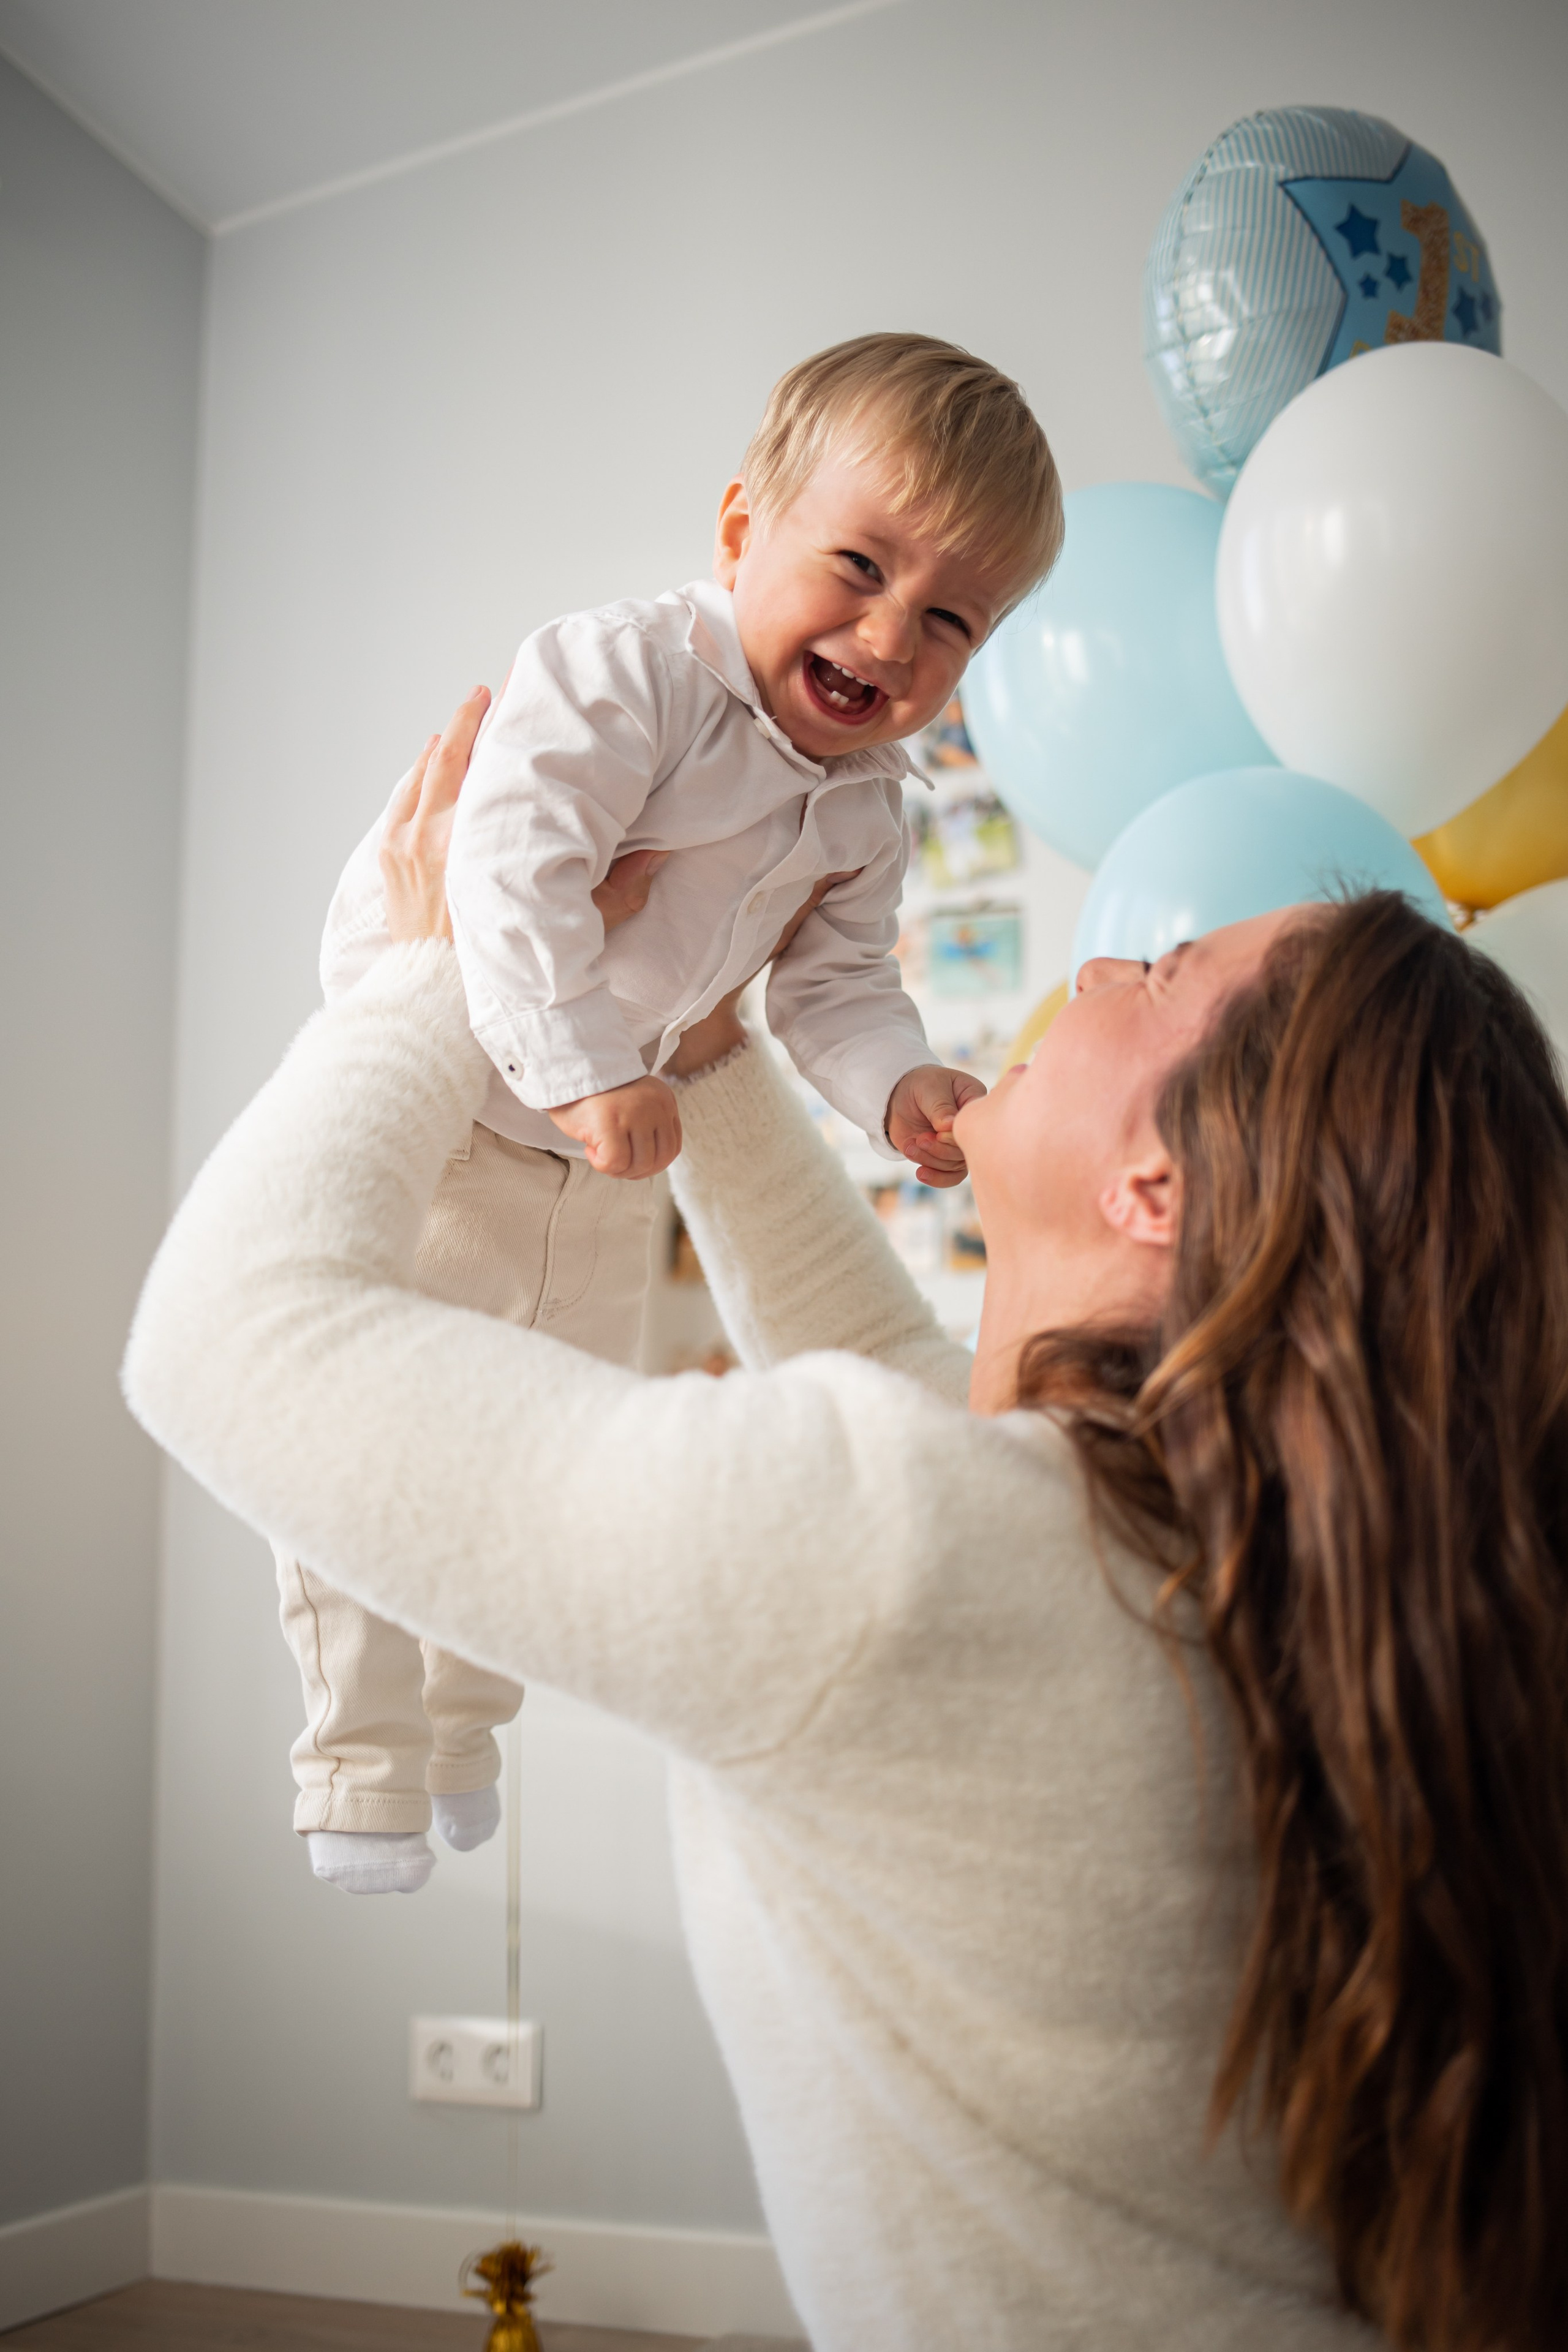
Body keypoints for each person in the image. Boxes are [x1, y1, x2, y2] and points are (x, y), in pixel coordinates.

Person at [124, 696, 1568, 2352]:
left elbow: (226, 1331)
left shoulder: (924, 1556)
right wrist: (695, 1023)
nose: (1098, 969)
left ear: (1155, 1190)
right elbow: (892, 1379)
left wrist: (459, 954)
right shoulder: (1227, 1553)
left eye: (1160, 979)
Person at [281, 331, 1063, 1894]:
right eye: (855, 564)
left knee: (536, 1444)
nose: (888, 633)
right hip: (456, 1089)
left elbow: (833, 991)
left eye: (951, 618)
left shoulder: (862, 802)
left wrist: (898, 1086)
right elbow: (506, 872)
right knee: (371, 1431)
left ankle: (460, 1726)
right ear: (736, 532)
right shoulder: (624, 669)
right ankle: (354, 1756)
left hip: (602, 1146)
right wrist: (586, 1065)